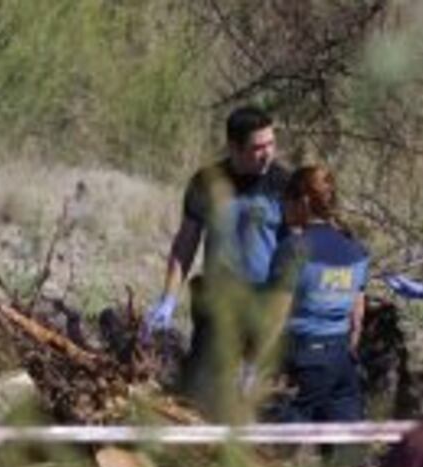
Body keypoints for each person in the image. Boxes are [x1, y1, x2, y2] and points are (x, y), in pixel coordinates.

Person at [143, 106, 291, 417]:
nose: (267, 154)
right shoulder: (206, 182)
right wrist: (168, 298)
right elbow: (186, 243)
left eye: (271, 144)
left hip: (264, 304)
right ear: (234, 148)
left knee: (256, 404)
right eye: (257, 147)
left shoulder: (284, 186)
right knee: (198, 396)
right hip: (218, 301)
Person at [262, 166, 368, 422]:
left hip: (303, 360)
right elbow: (357, 319)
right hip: (341, 362)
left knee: (274, 453)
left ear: (304, 201)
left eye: (285, 200)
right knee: (343, 452)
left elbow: (275, 319)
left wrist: (256, 367)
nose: (282, 207)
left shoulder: (293, 250)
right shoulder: (356, 250)